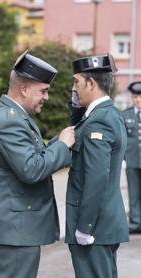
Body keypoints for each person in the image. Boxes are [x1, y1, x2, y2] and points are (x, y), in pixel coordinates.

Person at [0, 51, 75, 278]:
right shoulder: (11, 121)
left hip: (12, 225)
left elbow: (31, 154)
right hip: (16, 228)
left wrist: (57, 143)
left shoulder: (14, 117)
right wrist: (62, 146)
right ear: (23, 88)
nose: (46, 97)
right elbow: (31, 169)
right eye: (43, 91)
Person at [65, 54, 129, 278]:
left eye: (76, 82)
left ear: (91, 83)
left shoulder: (100, 120)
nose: (73, 88)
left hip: (95, 227)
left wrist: (85, 227)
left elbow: (96, 177)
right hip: (104, 224)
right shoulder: (106, 114)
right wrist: (75, 107)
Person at [122, 81, 141, 234]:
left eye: (140, 97)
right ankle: (135, 223)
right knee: (133, 192)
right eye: (135, 97)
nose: (138, 100)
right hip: (132, 160)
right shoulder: (125, 114)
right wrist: (123, 159)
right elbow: (122, 139)